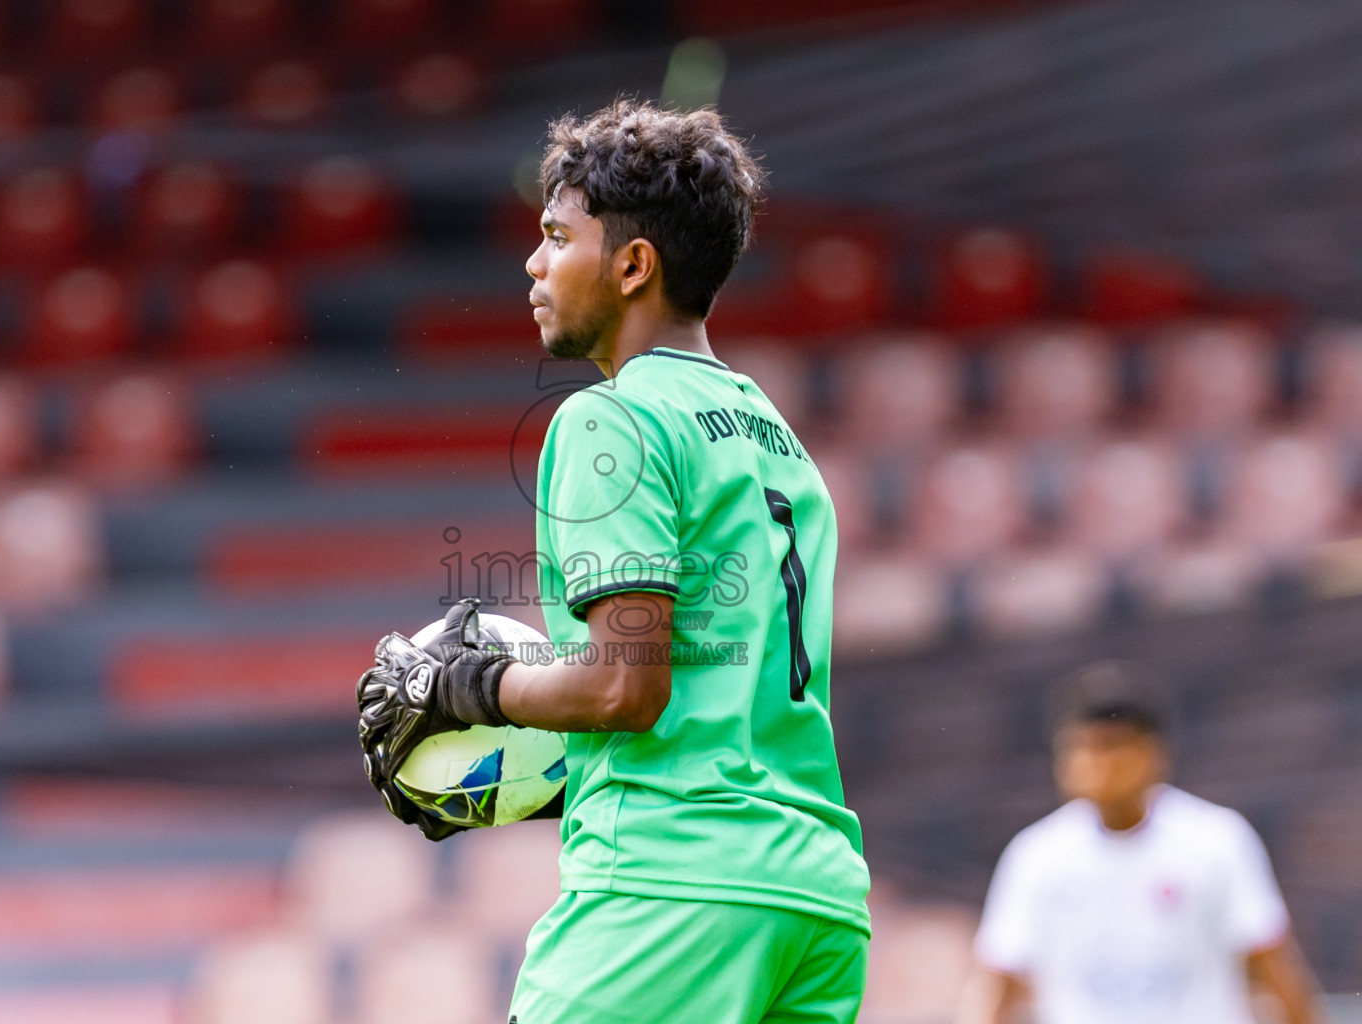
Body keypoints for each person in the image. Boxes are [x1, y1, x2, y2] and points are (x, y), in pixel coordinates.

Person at [356, 100, 870, 1023]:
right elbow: (717, 695)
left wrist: (468, 690)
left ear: (633, 265)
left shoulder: (612, 420)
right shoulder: (777, 437)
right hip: (817, 899)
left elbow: (623, 690)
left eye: (557, 236)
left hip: (672, 887)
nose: (534, 263)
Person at [956, 660, 1327, 1024]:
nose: (1095, 764)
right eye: (1080, 747)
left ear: (1154, 752)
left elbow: (1273, 968)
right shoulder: (1035, 856)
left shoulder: (1218, 842)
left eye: (1112, 746)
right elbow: (997, 984)